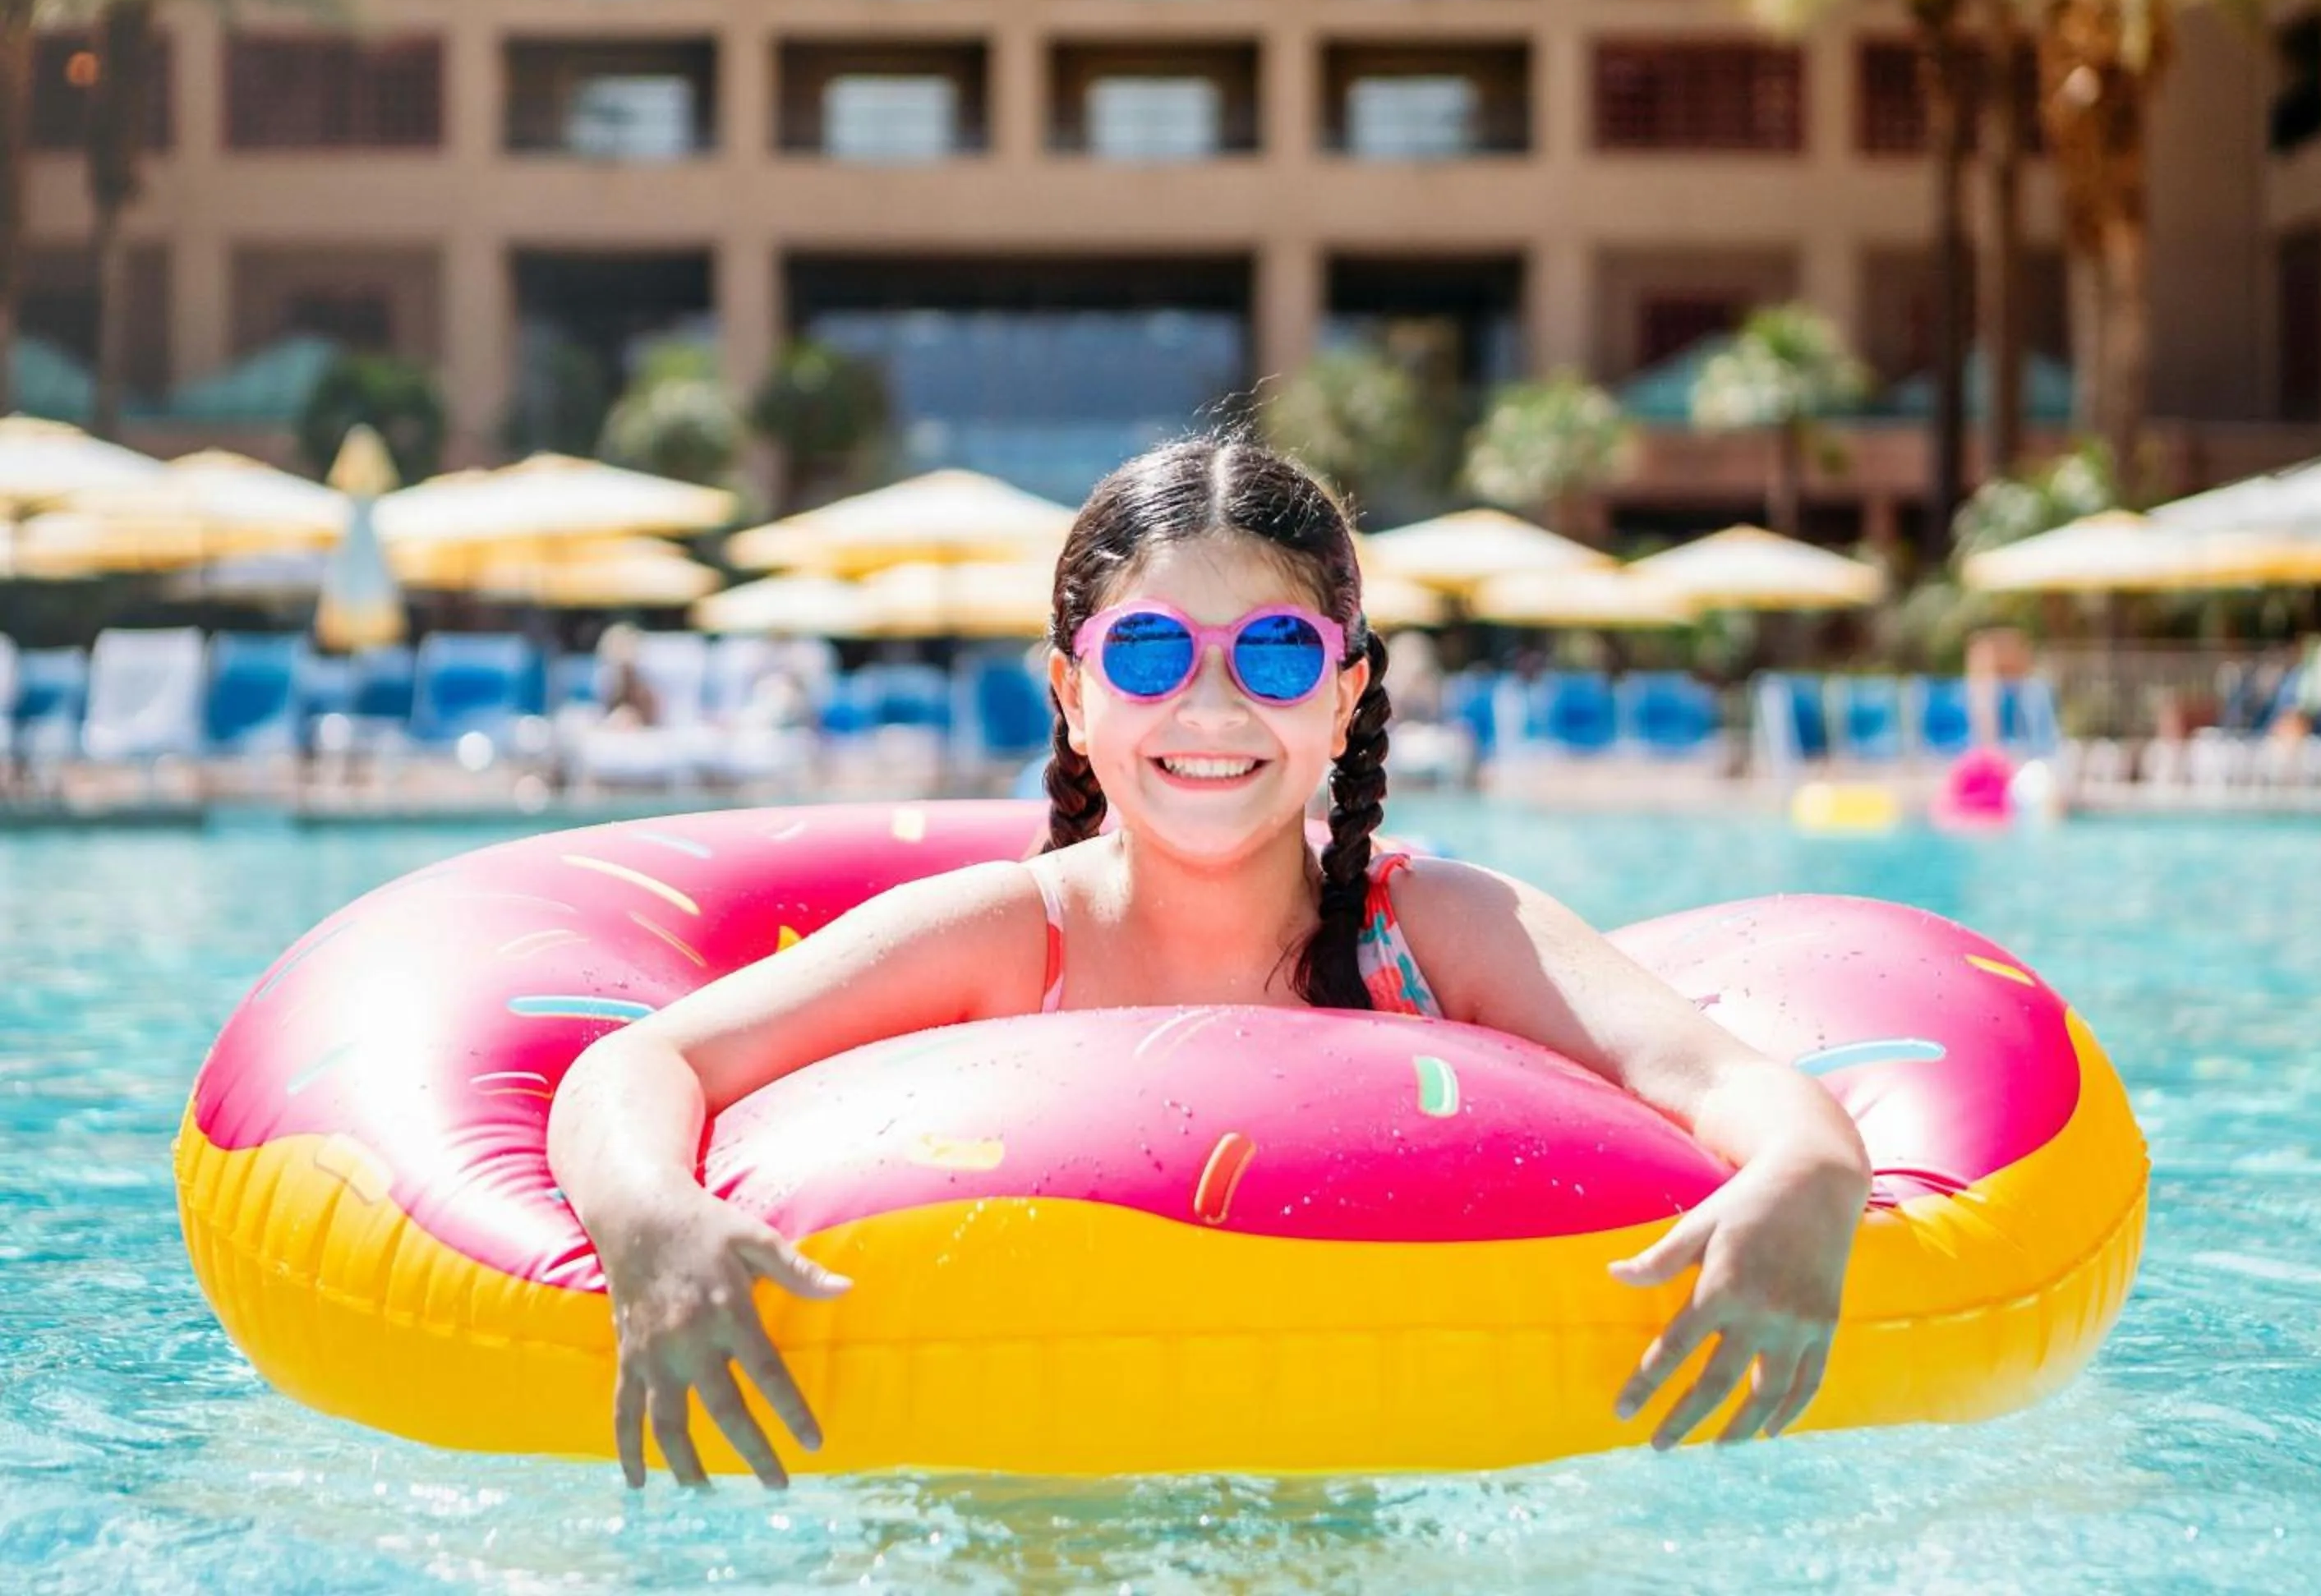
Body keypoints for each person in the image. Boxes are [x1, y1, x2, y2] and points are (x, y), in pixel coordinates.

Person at [546, 438, 1872, 1490]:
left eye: (1280, 652)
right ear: (1068, 692)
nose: (1215, 707)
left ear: (1348, 694)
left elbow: (1725, 1079)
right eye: (1150, 651)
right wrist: (651, 1216)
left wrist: (1811, 1176)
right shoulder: (1002, 938)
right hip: (1025, 1498)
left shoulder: (1441, 934)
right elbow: (645, 1060)